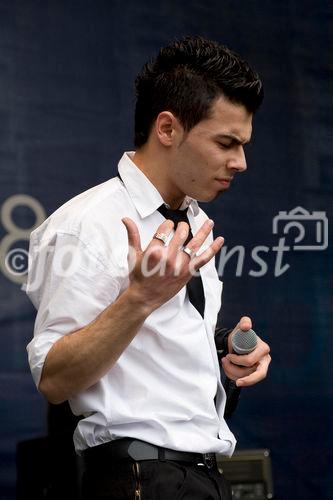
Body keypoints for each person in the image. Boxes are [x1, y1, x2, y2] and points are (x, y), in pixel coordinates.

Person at [26, 35, 271, 500]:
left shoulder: (193, 217)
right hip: (139, 479)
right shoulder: (85, 224)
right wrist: (139, 299)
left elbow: (150, 355)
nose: (240, 162)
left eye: (243, 145)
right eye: (226, 142)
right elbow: (55, 380)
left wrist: (225, 353)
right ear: (167, 129)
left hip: (202, 472)